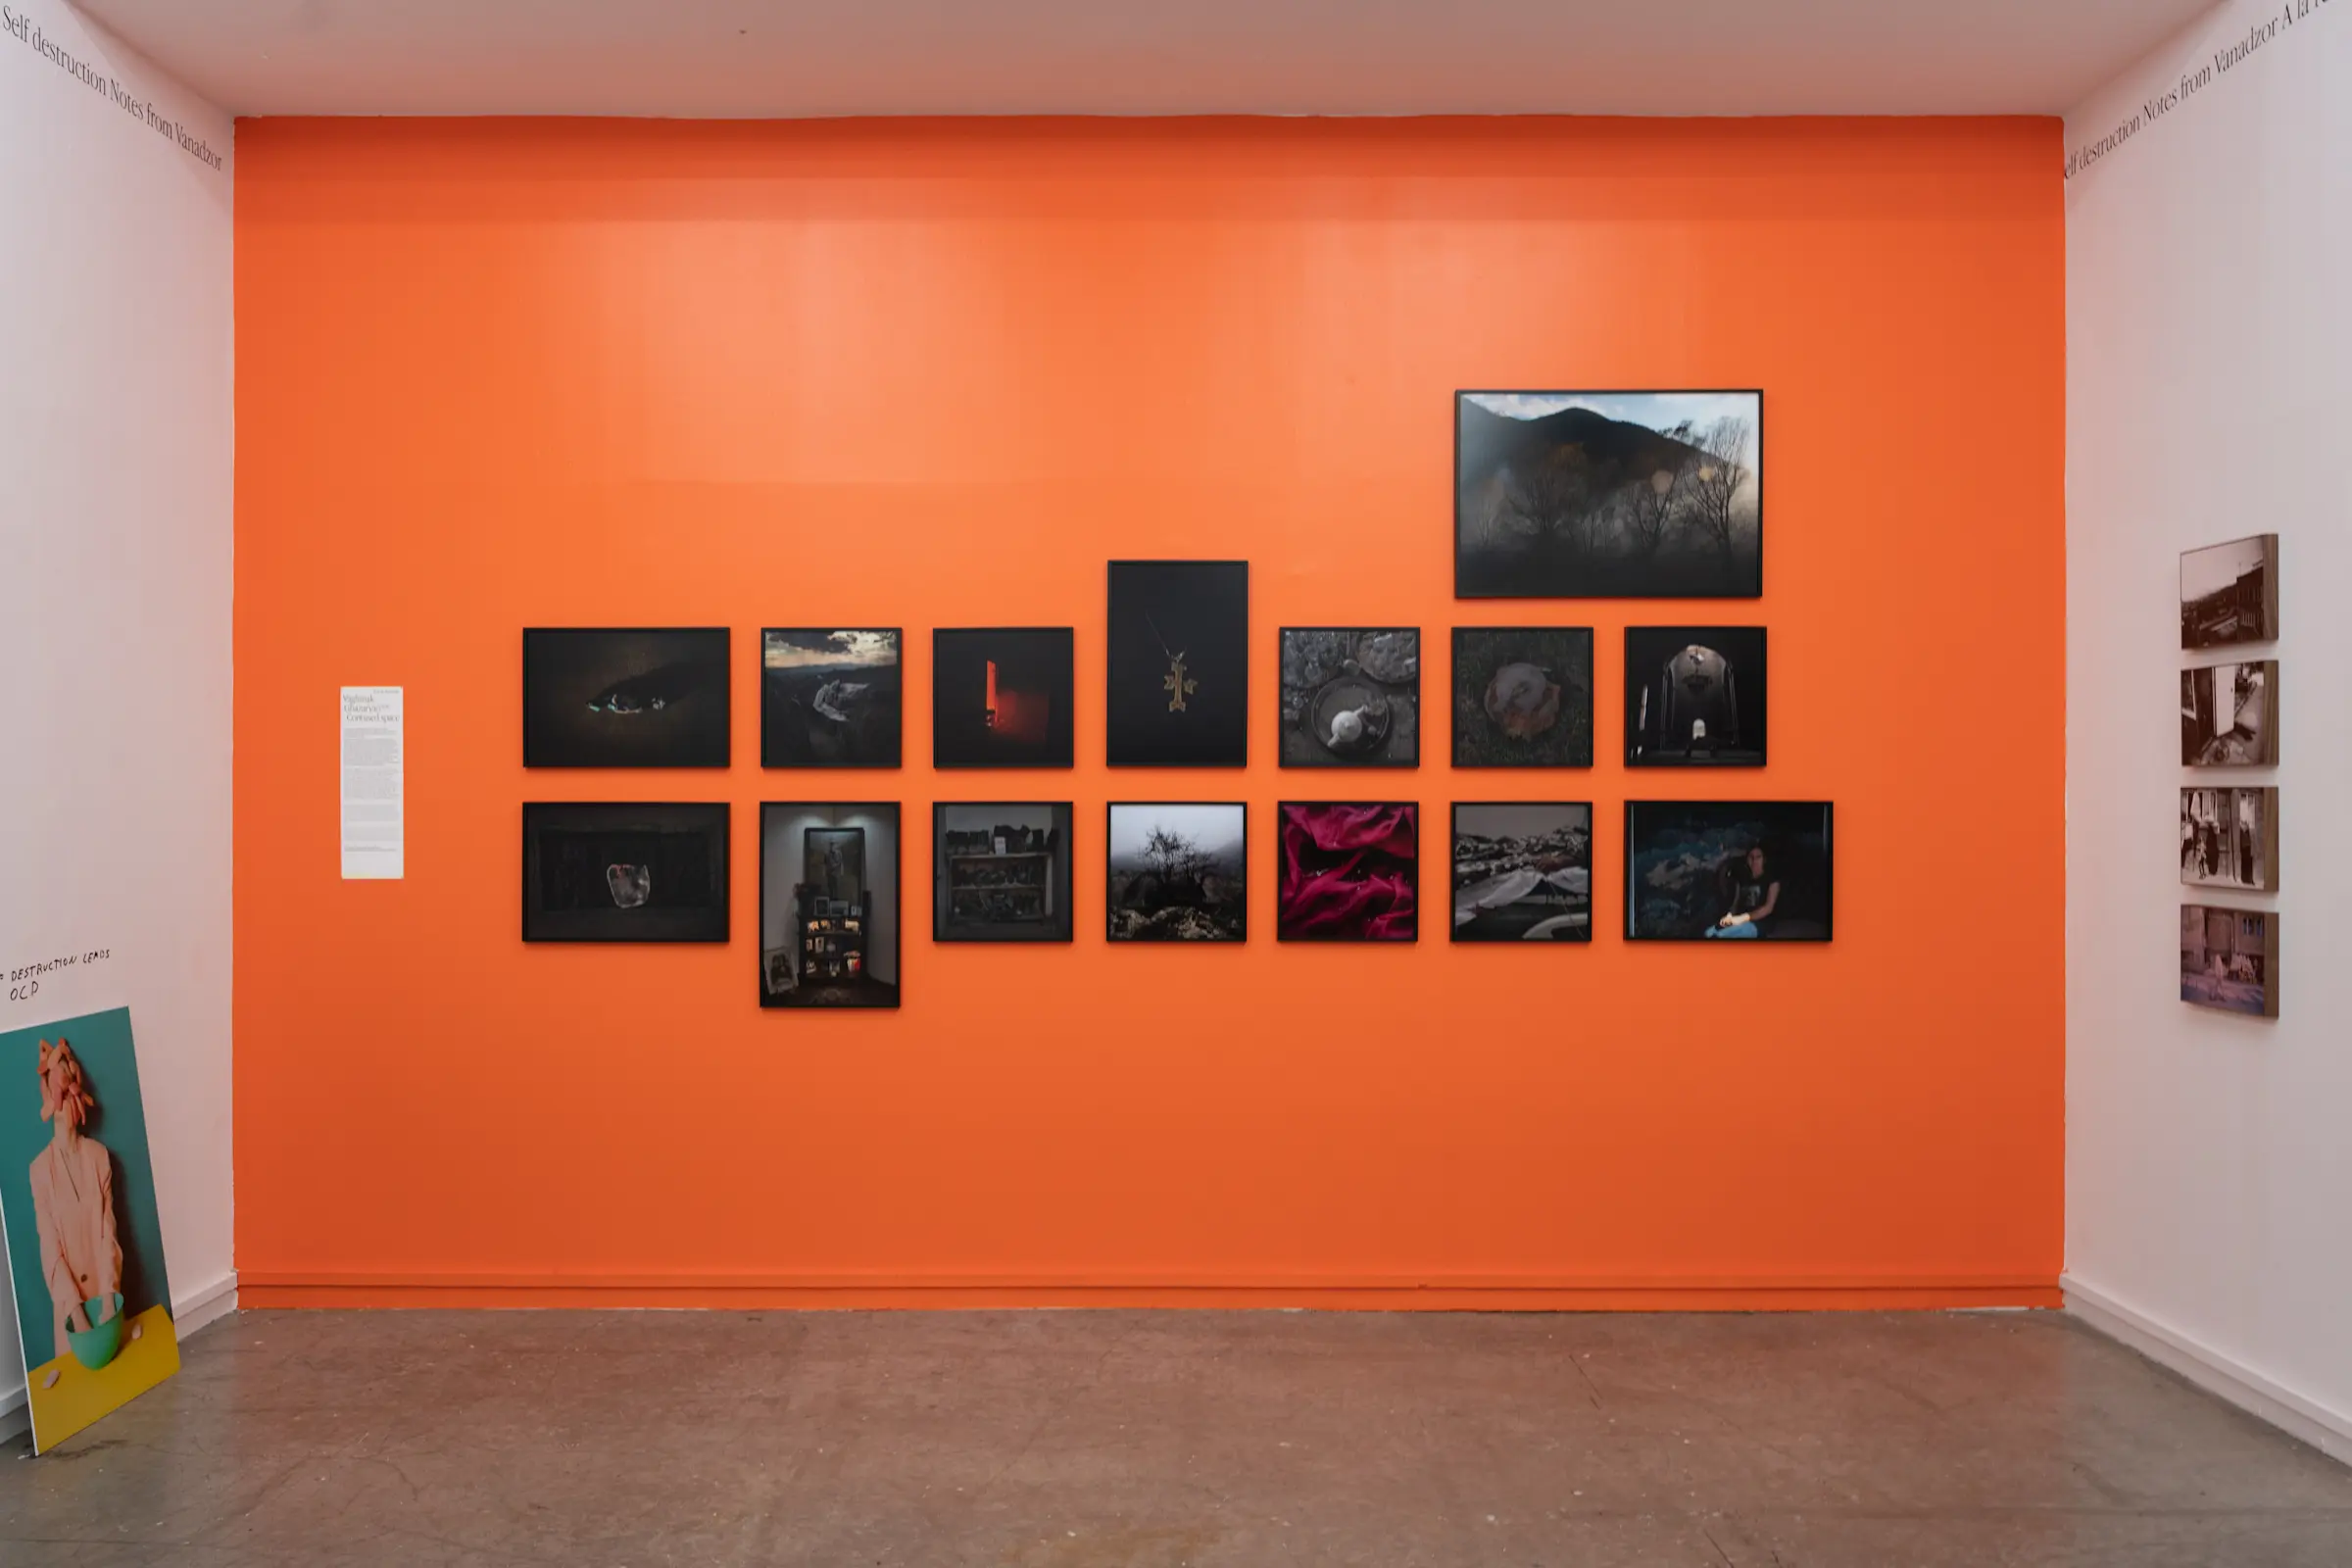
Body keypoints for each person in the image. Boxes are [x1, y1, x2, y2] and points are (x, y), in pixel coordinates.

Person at [29, 1039, 122, 1359]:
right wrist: (77, 1315)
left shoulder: (99, 1157)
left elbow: (108, 1232)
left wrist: (109, 1299)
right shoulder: (39, 1171)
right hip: (71, 1320)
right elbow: (50, 1251)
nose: (67, 1099)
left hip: (108, 1306)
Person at [1703, 844, 1779, 940]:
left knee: (1721, 936)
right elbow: (1736, 904)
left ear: (1764, 860)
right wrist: (1730, 916)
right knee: (1709, 933)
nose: (1754, 861)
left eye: (1758, 857)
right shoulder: (1742, 880)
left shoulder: (1772, 880)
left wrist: (1742, 918)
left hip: (1759, 923)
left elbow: (1768, 908)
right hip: (1739, 920)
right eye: (1751, 857)